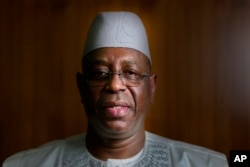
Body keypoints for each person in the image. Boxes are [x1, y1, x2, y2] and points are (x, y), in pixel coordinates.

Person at [3, 11, 228, 167]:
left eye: (130, 73)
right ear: (81, 86)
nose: (115, 85)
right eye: (101, 73)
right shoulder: (21, 164)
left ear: (151, 87)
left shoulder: (212, 163)